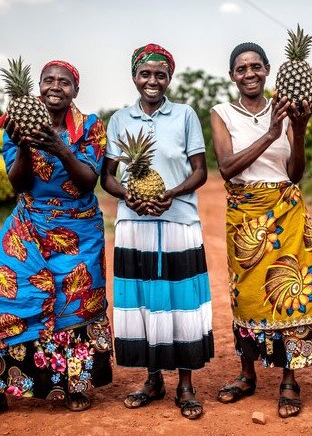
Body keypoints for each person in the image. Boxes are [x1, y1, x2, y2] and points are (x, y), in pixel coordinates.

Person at [0, 60, 112, 423]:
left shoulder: (90, 126)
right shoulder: (16, 122)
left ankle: (76, 384)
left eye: (65, 82)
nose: (56, 87)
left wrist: (60, 147)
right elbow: (18, 183)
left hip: (79, 229)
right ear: (37, 87)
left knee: (76, 302)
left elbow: (89, 181)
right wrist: (24, 144)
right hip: (29, 224)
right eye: (48, 81)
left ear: (75, 90)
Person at [210, 42, 312, 418]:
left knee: (293, 294)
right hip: (244, 216)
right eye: (241, 68)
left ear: (267, 70)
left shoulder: (287, 107)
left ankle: (289, 381)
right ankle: (247, 375)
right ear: (232, 75)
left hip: (286, 211)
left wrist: (299, 125)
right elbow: (228, 167)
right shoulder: (221, 113)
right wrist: (270, 132)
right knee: (246, 296)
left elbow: (295, 172)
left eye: (255, 67)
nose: (249, 74)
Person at [101, 43, 212, 420]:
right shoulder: (119, 119)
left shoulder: (185, 115)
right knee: (146, 298)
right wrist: (130, 196)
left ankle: (185, 384)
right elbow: (108, 176)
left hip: (178, 218)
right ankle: (152, 379)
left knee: (181, 301)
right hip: (134, 222)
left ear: (169, 78)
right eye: (145, 74)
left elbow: (200, 171)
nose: (153, 81)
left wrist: (171, 193)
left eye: (160, 75)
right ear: (135, 76)